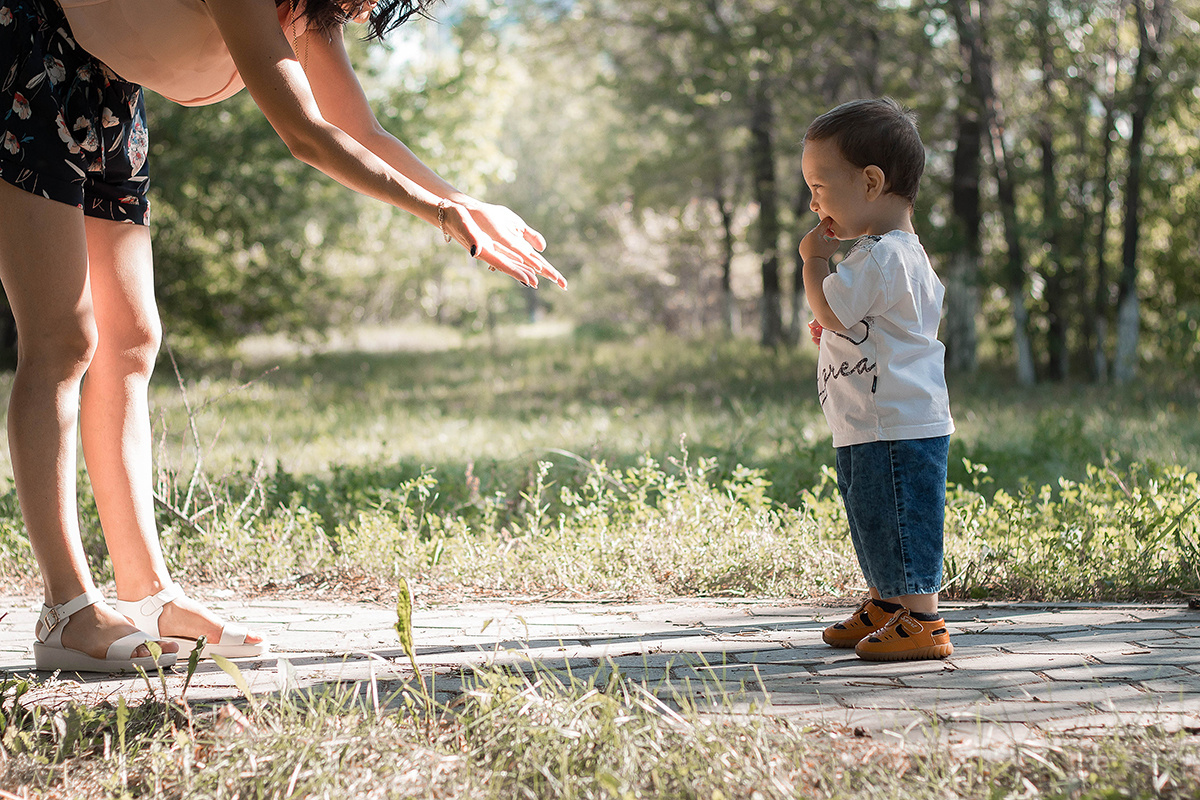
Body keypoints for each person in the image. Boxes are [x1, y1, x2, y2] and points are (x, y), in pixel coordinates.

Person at [0, 0, 567, 673]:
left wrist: (463, 202)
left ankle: (147, 596)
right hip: (26, 46)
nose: (364, 12)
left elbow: (358, 126)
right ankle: (67, 613)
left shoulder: (310, 9)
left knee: (131, 341)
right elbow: (305, 132)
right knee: (64, 339)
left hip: (105, 81)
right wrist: (441, 214)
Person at [798, 98, 955, 662]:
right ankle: (887, 603)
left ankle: (923, 619)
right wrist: (836, 329)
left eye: (819, 185)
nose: (813, 201)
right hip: (868, 419)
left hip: (897, 421)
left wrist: (813, 263)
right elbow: (856, 324)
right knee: (873, 514)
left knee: (902, 514)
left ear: (870, 182)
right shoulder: (881, 255)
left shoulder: (885, 256)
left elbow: (833, 311)